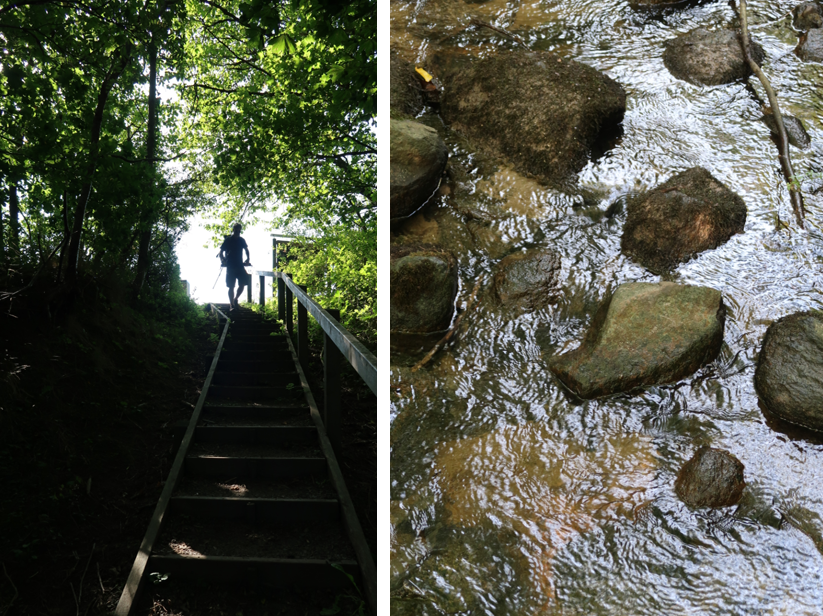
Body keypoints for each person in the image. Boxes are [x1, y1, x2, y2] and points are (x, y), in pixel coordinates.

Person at [220, 223, 251, 310]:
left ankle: (236, 298)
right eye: (236, 230)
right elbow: (221, 252)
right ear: (233, 230)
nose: (237, 232)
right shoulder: (228, 240)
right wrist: (223, 260)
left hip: (240, 266)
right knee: (231, 286)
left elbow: (246, 250)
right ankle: (231, 304)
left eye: (239, 230)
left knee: (243, 283)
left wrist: (248, 259)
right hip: (231, 266)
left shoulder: (241, 240)